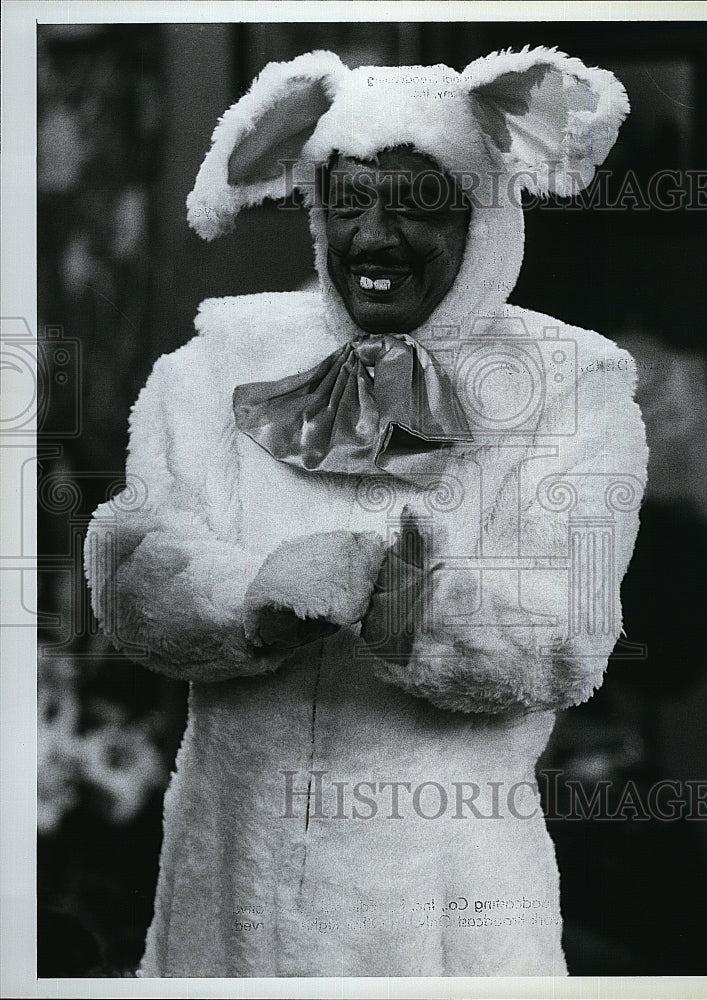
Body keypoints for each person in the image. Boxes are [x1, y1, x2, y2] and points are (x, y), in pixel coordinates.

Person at [85, 47, 648, 977]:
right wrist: (253, 596)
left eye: (418, 202)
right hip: (227, 911)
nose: (373, 237)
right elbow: (131, 571)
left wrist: (410, 606)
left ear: (482, 211)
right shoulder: (216, 364)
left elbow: (568, 637)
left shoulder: (572, 394)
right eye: (348, 202)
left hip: (442, 921)